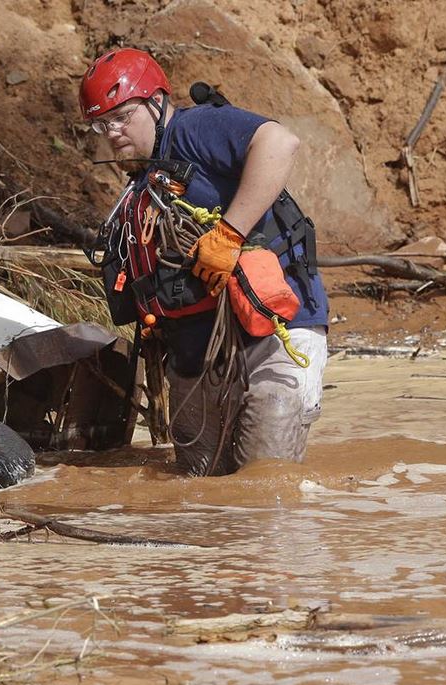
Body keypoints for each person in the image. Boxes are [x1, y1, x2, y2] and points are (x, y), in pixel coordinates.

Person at [79, 47, 329, 475]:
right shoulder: (140, 187)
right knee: (197, 487)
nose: (113, 132)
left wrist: (229, 234)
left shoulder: (195, 128)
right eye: (102, 124)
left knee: (264, 478)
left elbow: (280, 143)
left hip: (276, 331)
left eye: (121, 116)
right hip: (195, 352)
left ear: (156, 101)